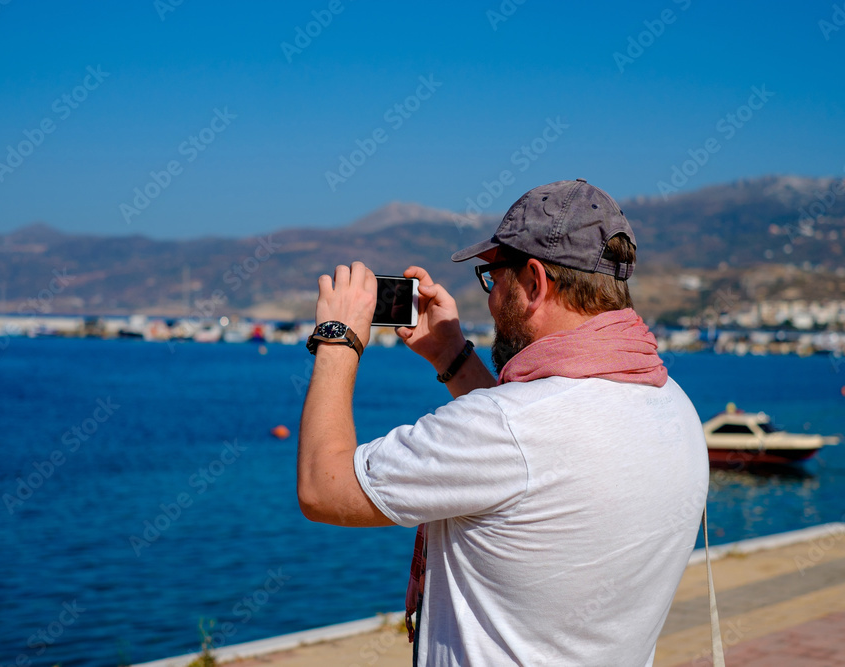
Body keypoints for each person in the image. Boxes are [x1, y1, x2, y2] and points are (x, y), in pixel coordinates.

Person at [298, 178, 709, 666]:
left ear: (533, 281)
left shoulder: (510, 428)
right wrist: (450, 354)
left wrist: (338, 336)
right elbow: (530, 462)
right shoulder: (671, 401)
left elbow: (323, 488)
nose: (491, 301)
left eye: (494, 277)